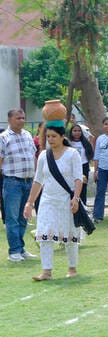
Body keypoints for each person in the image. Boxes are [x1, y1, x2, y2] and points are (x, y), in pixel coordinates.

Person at [22, 123, 84, 280]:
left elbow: (78, 178)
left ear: (62, 137)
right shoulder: (43, 155)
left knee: (70, 235)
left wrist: (76, 198)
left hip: (67, 200)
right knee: (44, 234)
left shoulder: (72, 154)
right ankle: (46, 271)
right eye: (48, 136)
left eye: (54, 136)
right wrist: (29, 203)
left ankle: (72, 268)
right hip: (48, 200)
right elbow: (38, 181)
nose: (50, 139)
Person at [1, 109, 38, 262]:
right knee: (12, 218)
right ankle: (14, 251)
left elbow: (33, 156)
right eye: (18, 118)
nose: (22, 121)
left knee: (24, 217)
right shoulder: (3, 138)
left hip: (28, 182)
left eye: (23, 118)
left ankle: (21, 248)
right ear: (9, 120)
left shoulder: (28, 135)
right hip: (12, 182)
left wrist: (37, 176)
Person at [67, 124, 93, 205]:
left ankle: (83, 207)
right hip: (72, 167)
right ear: (71, 132)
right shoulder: (68, 143)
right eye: (75, 131)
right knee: (72, 187)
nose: (77, 133)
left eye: (79, 131)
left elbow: (90, 154)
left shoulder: (85, 143)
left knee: (83, 188)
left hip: (84, 166)